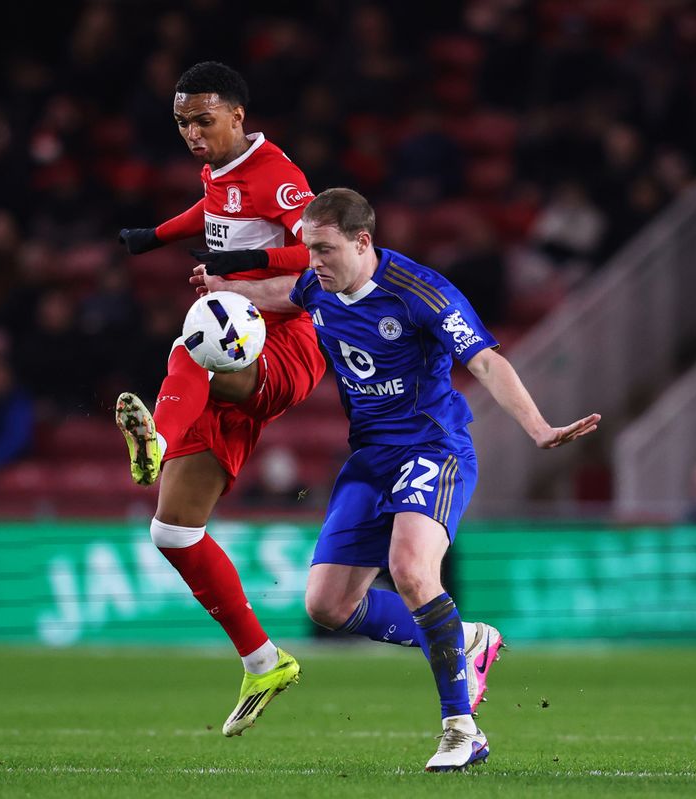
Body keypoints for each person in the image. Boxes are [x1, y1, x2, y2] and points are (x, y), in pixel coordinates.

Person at [196, 188, 599, 771]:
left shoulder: (421, 292)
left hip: (434, 448)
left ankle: (462, 730)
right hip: (370, 459)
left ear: (363, 242)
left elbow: (485, 359)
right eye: (308, 248)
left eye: (325, 250)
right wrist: (226, 290)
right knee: (328, 606)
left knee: (411, 570)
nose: (313, 261)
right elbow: (284, 291)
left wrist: (537, 427)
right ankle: (465, 640)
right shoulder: (318, 284)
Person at [112, 61, 327, 736]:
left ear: (238, 115)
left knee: (191, 341)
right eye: (182, 123)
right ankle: (264, 660)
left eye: (203, 120)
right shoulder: (220, 174)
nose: (192, 134)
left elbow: (314, 251)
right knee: (173, 529)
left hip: (287, 346)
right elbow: (214, 210)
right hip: (233, 358)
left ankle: (157, 440)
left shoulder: (281, 176)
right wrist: (157, 236)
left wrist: (236, 267)